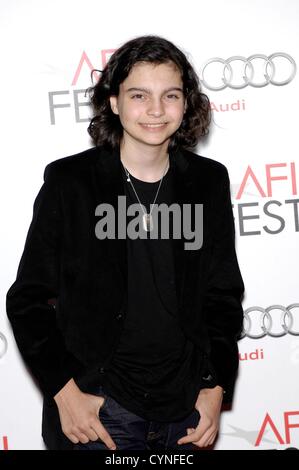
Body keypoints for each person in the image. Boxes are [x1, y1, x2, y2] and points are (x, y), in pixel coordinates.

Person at [6, 35, 244, 451]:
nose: (155, 110)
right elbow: (27, 301)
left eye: (170, 95)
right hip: (99, 412)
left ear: (186, 103)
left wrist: (216, 386)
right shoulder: (72, 183)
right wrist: (65, 392)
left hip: (184, 413)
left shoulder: (208, 181)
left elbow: (222, 295)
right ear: (114, 102)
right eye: (139, 95)